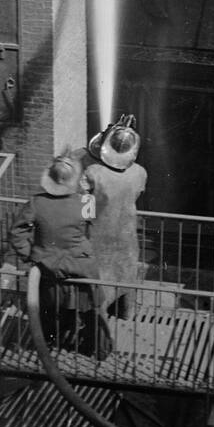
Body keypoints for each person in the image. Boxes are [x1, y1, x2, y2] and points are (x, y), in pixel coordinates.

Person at [8, 149, 109, 357]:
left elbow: (17, 232)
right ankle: (98, 349)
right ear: (74, 180)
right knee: (91, 310)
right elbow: (94, 223)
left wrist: (31, 254)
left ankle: (47, 345)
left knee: (50, 310)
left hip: (49, 266)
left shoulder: (36, 203)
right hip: (81, 266)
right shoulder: (85, 202)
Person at [82, 115, 148, 325]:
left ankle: (98, 327)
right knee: (126, 274)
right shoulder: (139, 172)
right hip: (126, 234)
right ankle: (126, 316)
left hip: (99, 235)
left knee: (100, 282)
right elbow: (136, 195)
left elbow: (86, 209)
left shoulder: (92, 172)